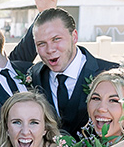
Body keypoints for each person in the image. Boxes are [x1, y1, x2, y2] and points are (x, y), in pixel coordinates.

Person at [28, 7, 118, 135]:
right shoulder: (34, 75)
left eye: (56, 39)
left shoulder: (110, 72)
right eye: (41, 44)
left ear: (74, 36)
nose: (50, 50)